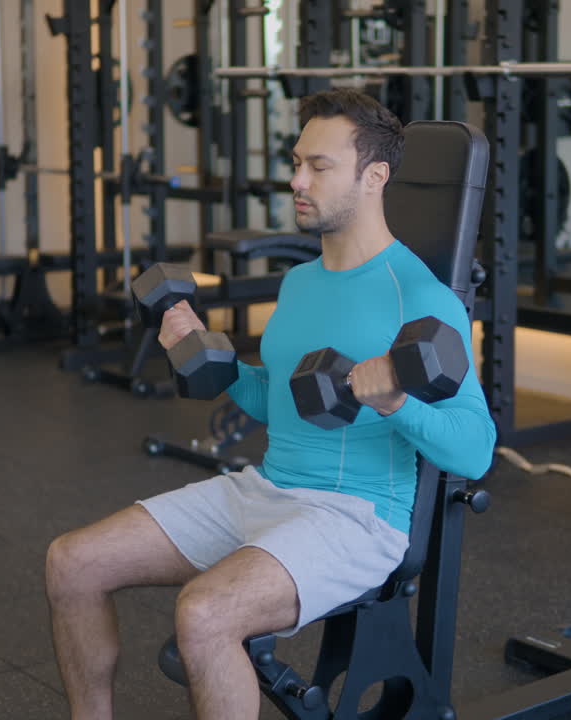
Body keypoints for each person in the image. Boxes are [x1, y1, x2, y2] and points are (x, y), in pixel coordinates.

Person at [45, 88, 496, 720]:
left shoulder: (421, 296)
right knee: (73, 562)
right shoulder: (300, 281)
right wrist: (201, 353)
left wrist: (397, 404)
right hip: (266, 490)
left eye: (319, 166)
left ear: (374, 177)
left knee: (203, 614)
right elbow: (274, 401)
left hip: (357, 519)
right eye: (295, 162)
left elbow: (475, 451)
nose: (296, 181)